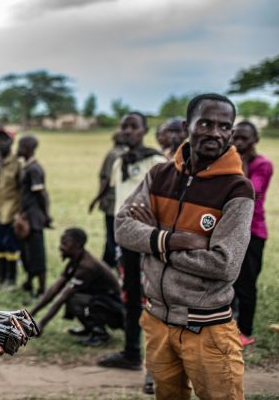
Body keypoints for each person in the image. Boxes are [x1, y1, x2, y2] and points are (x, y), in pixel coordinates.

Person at [115, 93, 253, 400]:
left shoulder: (238, 188)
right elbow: (122, 228)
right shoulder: (159, 174)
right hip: (157, 321)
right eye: (205, 123)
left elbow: (224, 264)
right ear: (187, 125)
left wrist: (153, 240)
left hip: (207, 328)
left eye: (224, 126)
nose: (214, 132)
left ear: (231, 132)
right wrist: (171, 239)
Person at [97, 112, 166, 395]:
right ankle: (131, 352)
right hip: (124, 243)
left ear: (144, 130)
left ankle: (155, 368)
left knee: (152, 302)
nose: (127, 131)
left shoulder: (157, 162)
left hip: (148, 243)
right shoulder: (119, 161)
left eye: (133, 126)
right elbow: (117, 202)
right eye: (124, 126)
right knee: (130, 297)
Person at [30, 228, 124, 347]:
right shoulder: (76, 259)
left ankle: (99, 333)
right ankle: (89, 329)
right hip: (103, 302)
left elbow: (63, 296)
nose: (60, 247)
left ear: (77, 246)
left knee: (74, 299)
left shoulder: (87, 266)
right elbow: (54, 288)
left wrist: (41, 324)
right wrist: (30, 314)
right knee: (74, 298)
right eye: (61, 243)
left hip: (116, 310)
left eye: (65, 244)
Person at [232, 121, 273, 347]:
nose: (239, 143)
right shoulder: (227, 162)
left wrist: (241, 162)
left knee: (246, 285)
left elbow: (249, 191)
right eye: (235, 137)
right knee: (227, 282)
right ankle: (227, 327)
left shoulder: (262, 164)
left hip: (253, 232)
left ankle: (245, 332)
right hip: (229, 231)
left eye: (244, 139)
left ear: (255, 140)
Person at [15, 135, 50, 297]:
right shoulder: (26, 167)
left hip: (34, 218)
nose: (17, 150)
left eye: (20, 147)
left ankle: (42, 288)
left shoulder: (34, 169)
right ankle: (29, 282)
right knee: (26, 252)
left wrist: (46, 215)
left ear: (28, 149)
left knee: (37, 254)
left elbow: (41, 194)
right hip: (26, 216)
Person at [88, 131, 127, 267]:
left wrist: (96, 198)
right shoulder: (127, 153)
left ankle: (117, 263)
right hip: (124, 201)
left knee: (111, 235)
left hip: (111, 202)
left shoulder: (112, 154)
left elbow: (106, 179)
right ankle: (107, 263)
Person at [0, 128, 21, 287]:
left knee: (11, 247)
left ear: (11, 142)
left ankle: (11, 279)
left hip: (11, 212)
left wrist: (19, 214)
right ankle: (0, 277)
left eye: (4, 139)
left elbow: (21, 190)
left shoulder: (17, 163)